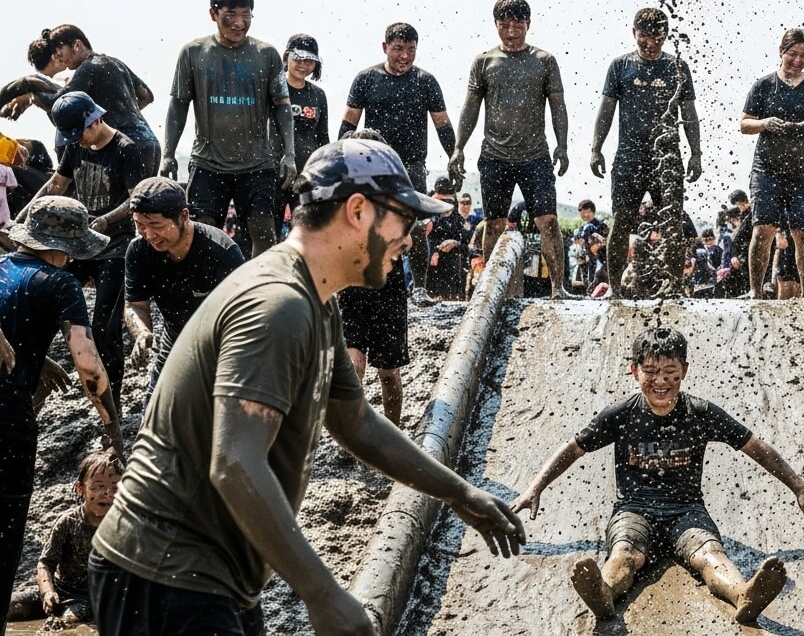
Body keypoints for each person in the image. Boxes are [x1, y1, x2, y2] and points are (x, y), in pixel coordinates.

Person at [90, 138, 524, 634]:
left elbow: (356, 422)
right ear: (358, 211)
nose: (410, 237)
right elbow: (234, 462)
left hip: (212, 575)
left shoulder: (316, 302)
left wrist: (460, 494)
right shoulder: (280, 305)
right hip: (163, 576)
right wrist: (322, 594)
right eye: (403, 220)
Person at [509, 327, 804, 623]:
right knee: (625, 554)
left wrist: (800, 488)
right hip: (634, 509)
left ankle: (743, 594)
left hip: (687, 511)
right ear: (634, 371)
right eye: (651, 372)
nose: (661, 382)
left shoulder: (700, 413)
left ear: (684, 371)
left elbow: (756, 447)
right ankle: (604, 592)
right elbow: (573, 448)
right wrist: (535, 487)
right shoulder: (622, 415)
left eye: (670, 372)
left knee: (710, 556)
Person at [0, 197, 118, 632]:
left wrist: (34, 355)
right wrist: (112, 425)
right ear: (63, 247)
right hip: (7, 421)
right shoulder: (58, 281)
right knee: (3, 538)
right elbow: (88, 365)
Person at [21, 92, 144, 409]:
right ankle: (33, 384)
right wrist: (24, 218)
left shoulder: (125, 150)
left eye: (81, 133)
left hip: (114, 246)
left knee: (105, 329)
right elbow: (55, 186)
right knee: (38, 306)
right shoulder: (74, 147)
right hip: (77, 243)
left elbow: (136, 199)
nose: (79, 141)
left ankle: (110, 403)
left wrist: (106, 219)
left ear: (95, 119)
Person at [448, 0, 573, 299]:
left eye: (518, 24)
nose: (512, 30)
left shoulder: (544, 60)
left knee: (548, 221)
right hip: (494, 156)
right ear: (496, 25)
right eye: (505, 24)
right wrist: (458, 147)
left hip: (535, 156)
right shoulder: (484, 61)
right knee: (494, 224)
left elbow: (558, 105)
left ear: (528, 24)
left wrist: (562, 145)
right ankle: (491, 291)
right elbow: (470, 107)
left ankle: (558, 288)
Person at [161, 0, 296, 258]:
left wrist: (289, 154)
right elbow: (178, 105)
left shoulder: (266, 54)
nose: (239, 23)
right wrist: (168, 154)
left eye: (246, 15)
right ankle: (208, 294)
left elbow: (282, 106)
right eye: (230, 15)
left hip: (257, 163)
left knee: (263, 230)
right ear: (213, 14)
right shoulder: (193, 52)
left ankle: (260, 292)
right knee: (202, 231)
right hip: (208, 162)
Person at [589, 8, 703, 293]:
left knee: (672, 225)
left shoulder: (678, 67)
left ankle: (674, 288)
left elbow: (689, 113)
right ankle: (615, 289)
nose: (650, 43)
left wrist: (696, 153)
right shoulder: (620, 66)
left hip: (667, 158)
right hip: (629, 156)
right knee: (621, 222)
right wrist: (596, 148)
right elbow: (606, 110)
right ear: (633, 34)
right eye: (644, 37)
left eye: (657, 37)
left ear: (665, 36)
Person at [341, 23, 452, 303]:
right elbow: (348, 123)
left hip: (411, 165)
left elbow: (443, 125)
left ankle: (420, 289)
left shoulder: (426, 81)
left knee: (413, 227)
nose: (405, 56)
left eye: (411, 50)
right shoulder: (366, 78)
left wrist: (455, 156)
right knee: (369, 224)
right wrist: (341, 158)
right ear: (385, 47)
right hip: (373, 162)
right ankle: (365, 284)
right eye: (398, 49)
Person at [740, 28, 804, 298]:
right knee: (763, 229)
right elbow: (744, 124)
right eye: (793, 54)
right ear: (781, 52)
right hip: (767, 169)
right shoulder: (764, 85)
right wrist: (765, 123)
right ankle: (755, 291)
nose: (798, 60)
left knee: (803, 235)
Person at [124, 177, 245, 393]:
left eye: (156, 225)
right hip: (175, 336)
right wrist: (142, 332)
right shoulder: (139, 250)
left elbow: (243, 317)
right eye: (139, 225)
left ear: (184, 216)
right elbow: (135, 305)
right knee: (154, 414)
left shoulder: (221, 252)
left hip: (221, 343)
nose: (149, 235)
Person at [0, 25, 160, 177]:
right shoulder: (115, 62)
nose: (60, 59)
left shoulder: (87, 67)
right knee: (145, 200)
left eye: (60, 53)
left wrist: (31, 91)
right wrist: (120, 114)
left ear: (77, 45)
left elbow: (60, 102)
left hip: (127, 147)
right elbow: (146, 96)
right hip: (150, 144)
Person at [334, 129, 414, 427]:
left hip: (388, 288)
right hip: (354, 285)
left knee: (389, 373)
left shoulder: (396, 192)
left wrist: (395, 237)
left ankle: (391, 435)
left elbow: (408, 242)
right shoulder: (343, 190)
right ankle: (354, 433)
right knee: (354, 365)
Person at [7, 451, 120, 629]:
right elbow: (45, 563)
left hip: (88, 598)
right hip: (59, 590)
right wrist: (47, 592)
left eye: (115, 487)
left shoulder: (122, 526)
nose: (107, 493)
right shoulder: (68, 521)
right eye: (98, 486)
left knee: (65, 621)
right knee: (9, 607)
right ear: (80, 489)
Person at [278, 34, 329, 239]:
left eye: (308, 61)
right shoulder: (273, 88)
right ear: (286, 58)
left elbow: (323, 138)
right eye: (297, 59)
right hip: (274, 172)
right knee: (268, 234)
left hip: (307, 176)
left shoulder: (318, 95)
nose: (302, 65)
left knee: (305, 234)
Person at [426, 178, 471, 301]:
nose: (444, 205)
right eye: (441, 200)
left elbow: (467, 245)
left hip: (452, 269)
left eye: (448, 201)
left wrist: (455, 243)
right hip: (430, 269)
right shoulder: (427, 216)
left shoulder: (458, 220)